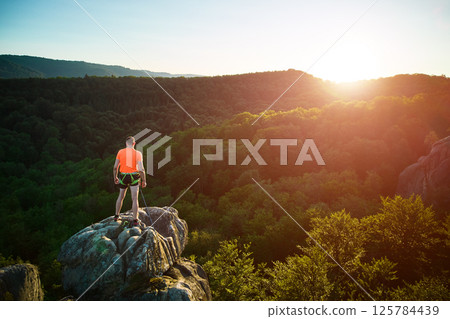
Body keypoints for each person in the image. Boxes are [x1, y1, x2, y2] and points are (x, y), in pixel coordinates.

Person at [113, 136, 147, 226]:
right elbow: (141, 169)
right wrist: (144, 180)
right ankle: (135, 220)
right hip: (134, 176)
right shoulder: (138, 153)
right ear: (134, 144)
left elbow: (115, 167)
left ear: (126, 143)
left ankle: (116, 216)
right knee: (135, 198)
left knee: (121, 196)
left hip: (123, 176)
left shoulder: (120, 152)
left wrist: (115, 177)